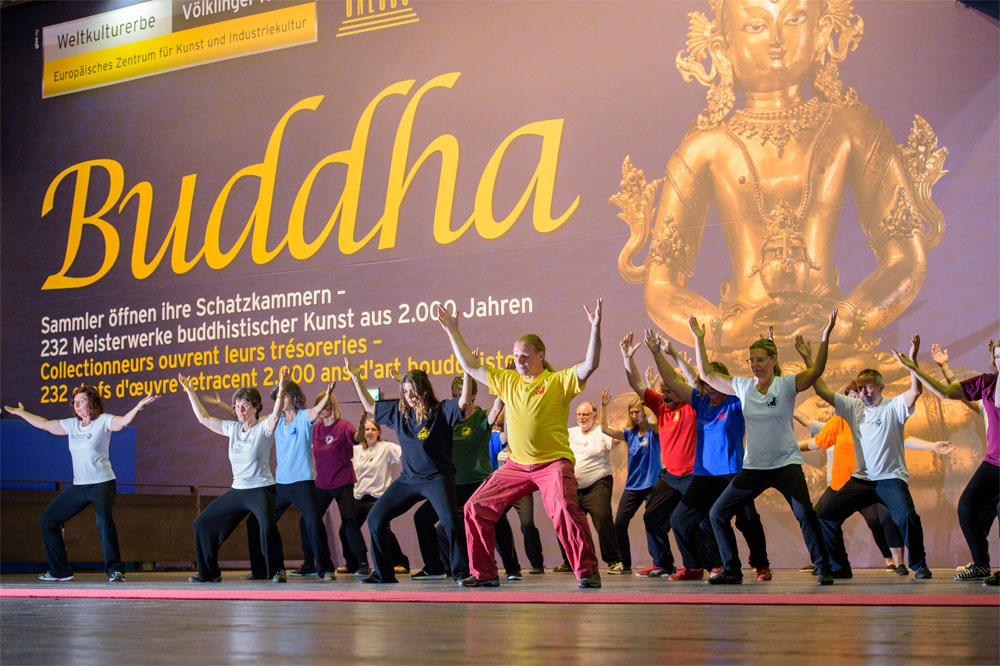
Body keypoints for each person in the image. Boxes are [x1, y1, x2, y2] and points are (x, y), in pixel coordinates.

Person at [614, 0, 945, 362]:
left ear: (821, 31)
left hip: (834, 349)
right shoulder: (703, 149)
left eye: (794, 20)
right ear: (723, 51)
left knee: (941, 401)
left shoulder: (854, 129)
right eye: (756, 26)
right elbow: (660, 286)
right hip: (743, 354)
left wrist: (846, 320)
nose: (776, 39)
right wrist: (724, 330)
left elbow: (906, 260)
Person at [435, 299, 603, 589]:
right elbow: (470, 366)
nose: (519, 361)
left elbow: (590, 365)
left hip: (552, 463)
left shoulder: (558, 381)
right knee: (475, 507)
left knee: (564, 507)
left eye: (525, 356)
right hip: (517, 465)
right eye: (515, 356)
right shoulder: (509, 381)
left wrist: (595, 328)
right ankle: (484, 573)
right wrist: (452, 330)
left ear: (540, 355)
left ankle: (587, 571)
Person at [691, 308, 838, 585]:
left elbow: (817, 371)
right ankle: (732, 570)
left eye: (760, 360)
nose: (755, 365)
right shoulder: (743, 387)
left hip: (785, 465)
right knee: (717, 514)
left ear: (773, 360)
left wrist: (825, 336)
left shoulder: (786, 385)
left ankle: (824, 566)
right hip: (755, 467)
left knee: (805, 514)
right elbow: (707, 375)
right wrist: (699, 339)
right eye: (751, 360)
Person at [643, 332, 771, 582]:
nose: (710, 389)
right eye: (706, 384)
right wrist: (658, 353)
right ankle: (693, 567)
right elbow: (675, 380)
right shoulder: (699, 401)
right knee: (681, 520)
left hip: (733, 473)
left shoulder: (735, 402)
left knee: (747, 521)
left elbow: (763, 387)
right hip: (704, 476)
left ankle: (761, 565)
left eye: (714, 384)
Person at [794, 383, 954, 574]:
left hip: (884, 479)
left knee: (896, 517)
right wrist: (789, 446)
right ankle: (839, 567)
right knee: (823, 516)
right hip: (850, 482)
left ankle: (910, 564)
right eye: (849, 398)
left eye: (857, 396)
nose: (854, 401)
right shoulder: (839, 422)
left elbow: (903, 437)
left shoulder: (879, 415)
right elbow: (814, 440)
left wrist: (931, 446)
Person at [5, 388, 160, 582]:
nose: (76, 405)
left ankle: (115, 570)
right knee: (48, 519)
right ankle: (60, 570)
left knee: (103, 520)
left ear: (92, 403)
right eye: (74, 402)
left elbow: (123, 422)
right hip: (80, 486)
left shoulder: (103, 421)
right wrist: (21, 413)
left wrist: (138, 406)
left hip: (102, 483)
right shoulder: (72, 425)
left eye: (81, 401)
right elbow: (44, 425)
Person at [810, 334, 933, 579]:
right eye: (860, 387)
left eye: (868, 386)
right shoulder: (853, 407)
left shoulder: (894, 406)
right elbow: (821, 388)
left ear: (880, 388)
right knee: (824, 516)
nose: (864, 391)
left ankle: (919, 564)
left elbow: (915, 391)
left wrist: (913, 364)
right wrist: (808, 358)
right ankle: (840, 567)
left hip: (890, 478)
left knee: (907, 516)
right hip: (861, 479)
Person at [345, 361, 469, 584]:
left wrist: (468, 373)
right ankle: (384, 574)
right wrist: (356, 378)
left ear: (423, 389)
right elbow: (370, 405)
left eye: (412, 390)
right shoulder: (398, 413)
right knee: (375, 519)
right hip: (409, 479)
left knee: (450, 521)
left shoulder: (441, 410)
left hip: (438, 478)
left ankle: (462, 574)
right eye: (404, 390)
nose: (409, 395)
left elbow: (464, 401)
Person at [894, 337, 1000, 585]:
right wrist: (915, 368)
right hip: (993, 463)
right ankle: (981, 565)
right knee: (966, 507)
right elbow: (947, 392)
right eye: (998, 356)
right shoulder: (987, 384)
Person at [413, 374, 523, 580]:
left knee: (496, 519)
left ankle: (512, 568)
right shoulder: (447, 419)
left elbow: (498, 406)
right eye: (455, 395)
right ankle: (434, 568)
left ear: (472, 396)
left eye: (464, 395)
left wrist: (507, 381)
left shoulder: (481, 417)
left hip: (478, 483)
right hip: (452, 485)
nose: (460, 400)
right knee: (422, 518)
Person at [179, 371, 285, 583]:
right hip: (238, 490)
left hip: (261, 488)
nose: (240, 410)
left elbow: (275, 416)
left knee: (265, 525)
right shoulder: (233, 428)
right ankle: (209, 572)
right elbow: (203, 418)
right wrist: (190, 391)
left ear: (256, 407)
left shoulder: (263, 427)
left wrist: (281, 389)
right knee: (201, 524)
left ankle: (277, 571)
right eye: (237, 406)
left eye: (245, 405)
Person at [618, 333, 699, 578]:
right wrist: (626, 359)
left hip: (694, 475)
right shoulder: (661, 406)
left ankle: (701, 566)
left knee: (696, 523)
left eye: (671, 389)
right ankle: (662, 563)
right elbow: (636, 384)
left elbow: (690, 382)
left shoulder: (693, 405)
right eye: (663, 390)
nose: (666, 394)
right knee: (652, 517)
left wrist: (662, 353)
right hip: (670, 475)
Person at [244, 379, 338, 582]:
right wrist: (229, 407)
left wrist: (328, 394)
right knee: (257, 522)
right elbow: (247, 417)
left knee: (313, 522)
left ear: (294, 397)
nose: (279, 399)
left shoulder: (304, 417)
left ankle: (325, 568)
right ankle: (266, 570)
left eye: (283, 395)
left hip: (303, 482)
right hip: (281, 484)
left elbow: (315, 410)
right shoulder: (274, 419)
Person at [293, 386, 370, 578]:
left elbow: (357, 440)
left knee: (349, 520)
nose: (324, 407)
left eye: (327, 404)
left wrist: (361, 426)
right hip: (322, 484)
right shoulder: (316, 428)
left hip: (343, 481)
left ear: (332, 405)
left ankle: (362, 562)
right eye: (320, 405)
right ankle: (309, 563)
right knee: (306, 520)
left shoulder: (343, 425)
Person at [552, 400, 623, 574]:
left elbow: (618, 439)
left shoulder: (601, 432)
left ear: (594, 416)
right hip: (573, 486)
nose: (582, 418)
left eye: (586, 414)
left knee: (602, 516)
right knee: (566, 520)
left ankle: (614, 561)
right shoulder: (571, 433)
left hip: (598, 483)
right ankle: (570, 561)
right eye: (579, 414)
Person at [598, 388, 661, 577]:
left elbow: (655, 421)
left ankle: (661, 563)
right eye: (631, 413)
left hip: (652, 484)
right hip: (633, 486)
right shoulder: (629, 434)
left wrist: (648, 400)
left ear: (644, 412)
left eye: (637, 412)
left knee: (653, 523)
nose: (634, 416)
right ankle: (625, 564)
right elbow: (605, 430)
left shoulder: (654, 432)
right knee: (619, 524)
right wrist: (603, 406)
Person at [341, 415, 410, 575]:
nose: (369, 432)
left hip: (378, 498)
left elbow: (405, 455)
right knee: (346, 529)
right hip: (358, 498)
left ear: (379, 432)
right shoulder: (356, 449)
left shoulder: (386, 447)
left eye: (373, 429)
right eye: (366, 429)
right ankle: (352, 564)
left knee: (382, 529)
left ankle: (400, 562)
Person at [488, 412, 546, 574]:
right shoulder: (493, 439)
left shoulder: (518, 436)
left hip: (520, 488)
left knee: (527, 524)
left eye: (502, 424)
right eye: (497, 425)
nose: (498, 427)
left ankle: (537, 564)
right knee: (494, 522)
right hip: (501, 488)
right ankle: (505, 564)